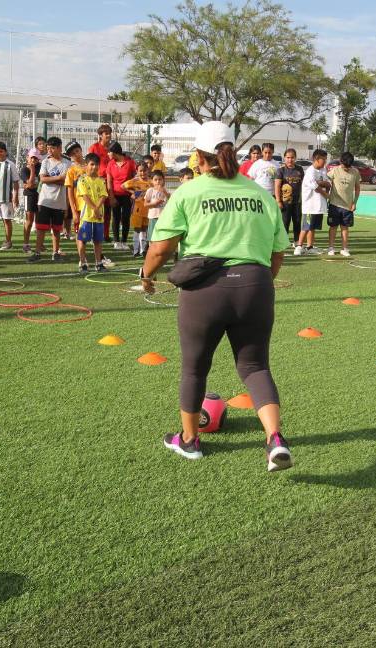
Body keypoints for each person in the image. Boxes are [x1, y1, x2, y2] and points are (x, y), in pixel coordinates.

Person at [139, 120, 293, 472]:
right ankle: (275, 439)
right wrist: (255, 283)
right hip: (255, 287)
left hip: (204, 291)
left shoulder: (189, 192)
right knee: (255, 367)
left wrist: (146, 277)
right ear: (234, 152)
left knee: (195, 368)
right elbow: (278, 252)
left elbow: (160, 249)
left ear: (198, 156)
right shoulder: (258, 192)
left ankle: (190, 441)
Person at [29, 136, 71, 263]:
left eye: (52, 148)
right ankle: (37, 252)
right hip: (45, 201)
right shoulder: (46, 162)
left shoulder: (67, 163)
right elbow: (43, 179)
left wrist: (53, 179)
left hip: (59, 202)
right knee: (41, 229)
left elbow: (66, 182)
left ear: (59, 148)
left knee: (57, 229)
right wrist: (59, 178)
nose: (49, 151)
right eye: (48, 148)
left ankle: (55, 252)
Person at [74, 153, 109, 273]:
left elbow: (103, 195)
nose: (94, 167)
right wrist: (94, 209)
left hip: (99, 217)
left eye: (96, 165)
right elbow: (85, 196)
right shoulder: (82, 180)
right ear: (86, 165)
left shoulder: (100, 180)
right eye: (92, 164)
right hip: (86, 217)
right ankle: (83, 263)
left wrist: (97, 209)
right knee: (83, 240)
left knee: (98, 241)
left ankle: (98, 263)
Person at [294, 149, 329, 256]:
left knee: (313, 227)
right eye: (323, 159)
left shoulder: (323, 170)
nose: (325, 162)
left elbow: (327, 183)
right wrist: (327, 195)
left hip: (319, 205)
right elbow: (316, 187)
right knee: (306, 226)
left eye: (325, 159)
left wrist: (322, 183)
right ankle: (299, 246)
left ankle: (309, 247)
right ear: (316, 159)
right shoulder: (310, 171)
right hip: (310, 205)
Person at [327, 151, 361, 257]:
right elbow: (326, 183)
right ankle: (331, 248)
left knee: (345, 228)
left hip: (348, 206)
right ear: (340, 162)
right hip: (334, 204)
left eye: (348, 166)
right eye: (344, 165)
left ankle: (344, 248)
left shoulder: (355, 172)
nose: (346, 168)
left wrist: (354, 203)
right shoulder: (334, 170)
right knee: (333, 227)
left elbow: (357, 188)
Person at [104, 142, 136, 250]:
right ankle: (116, 241)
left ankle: (124, 241)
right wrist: (111, 197)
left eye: (109, 152)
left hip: (127, 196)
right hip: (115, 195)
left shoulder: (130, 162)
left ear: (116, 152)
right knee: (116, 218)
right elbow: (109, 181)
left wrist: (133, 193)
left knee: (126, 218)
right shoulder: (110, 164)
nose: (108, 154)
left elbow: (134, 178)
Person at [88, 124, 114, 241]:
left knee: (107, 210)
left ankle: (106, 234)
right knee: (96, 207)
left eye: (109, 133)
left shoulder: (113, 148)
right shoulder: (94, 147)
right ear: (100, 135)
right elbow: (88, 163)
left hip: (109, 182)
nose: (108, 135)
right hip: (97, 182)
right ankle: (93, 234)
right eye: (106, 133)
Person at [124, 161, 152, 258]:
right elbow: (123, 186)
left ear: (147, 171)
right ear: (137, 171)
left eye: (144, 171)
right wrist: (133, 192)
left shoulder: (151, 182)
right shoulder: (135, 181)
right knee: (137, 230)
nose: (142, 173)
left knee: (145, 229)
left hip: (147, 210)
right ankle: (135, 250)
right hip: (137, 210)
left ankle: (143, 250)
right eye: (140, 171)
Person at [275, 148, 304, 242]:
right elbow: (277, 187)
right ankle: (283, 242)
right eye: (288, 157)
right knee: (285, 223)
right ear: (284, 158)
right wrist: (278, 201)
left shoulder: (299, 169)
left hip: (297, 202)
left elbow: (304, 184)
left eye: (292, 157)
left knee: (297, 222)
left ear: (295, 158)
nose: (290, 160)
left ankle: (297, 242)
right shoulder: (281, 170)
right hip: (285, 202)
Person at [62, 141, 85, 240]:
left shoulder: (91, 166)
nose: (76, 154)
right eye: (73, 154)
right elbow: (70, 192)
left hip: (93, 205)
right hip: (79, 206)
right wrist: (73, 210)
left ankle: (97, 255)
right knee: (79, 233)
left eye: (77, 151)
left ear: (81, 150)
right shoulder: (71, 170)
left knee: (94, 233)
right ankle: (82, 255)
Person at [20, 148, 41, 253]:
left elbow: (35, 184)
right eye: (32, 157)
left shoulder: (41, 168)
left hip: (41, 196)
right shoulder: (24, 170)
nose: (34, 160)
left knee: (39, 221)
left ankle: (39, 244)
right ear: (28, 158)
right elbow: (30, 185)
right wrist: (32, 171)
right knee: (29, 220)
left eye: (36, 158)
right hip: (30, 196)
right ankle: (26, 244)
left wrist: (31, 184)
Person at [143, 169, 169, 252]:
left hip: (163, 217)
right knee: (152, 236)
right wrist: (154, 204)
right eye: (155, 180)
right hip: (153, 217)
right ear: (152, 181)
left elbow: (170, 199)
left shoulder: (165, 190)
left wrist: (164, 192)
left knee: (162, 236)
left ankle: (161, 251)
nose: (158, 182)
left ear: (163, 180)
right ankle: (151, 251)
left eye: (160, 179)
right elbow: (145, 204)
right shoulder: (150, 191)